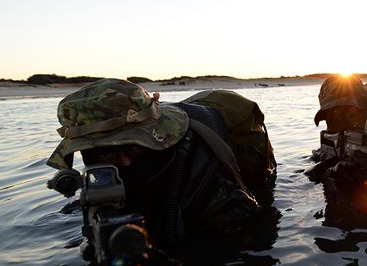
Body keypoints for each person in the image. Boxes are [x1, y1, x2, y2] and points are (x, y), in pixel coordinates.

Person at [47, 78, 268, 250]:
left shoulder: (210, 186)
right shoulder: (103, 179)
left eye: (134, 147)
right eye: (105, 154)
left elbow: (241, 244)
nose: (124, 162)